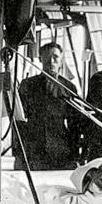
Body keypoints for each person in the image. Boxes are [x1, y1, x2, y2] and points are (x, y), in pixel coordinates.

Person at [16, 42, 81, 170]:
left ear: (61, 60)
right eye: (47, 57)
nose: (51, 61)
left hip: (61, 151)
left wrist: (75, 156)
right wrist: (18, 154)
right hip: (34, 151)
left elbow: (75, 125)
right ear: (40, 59)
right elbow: (19, 122)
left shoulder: (68, 88)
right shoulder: (28, 85)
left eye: (55, 57)